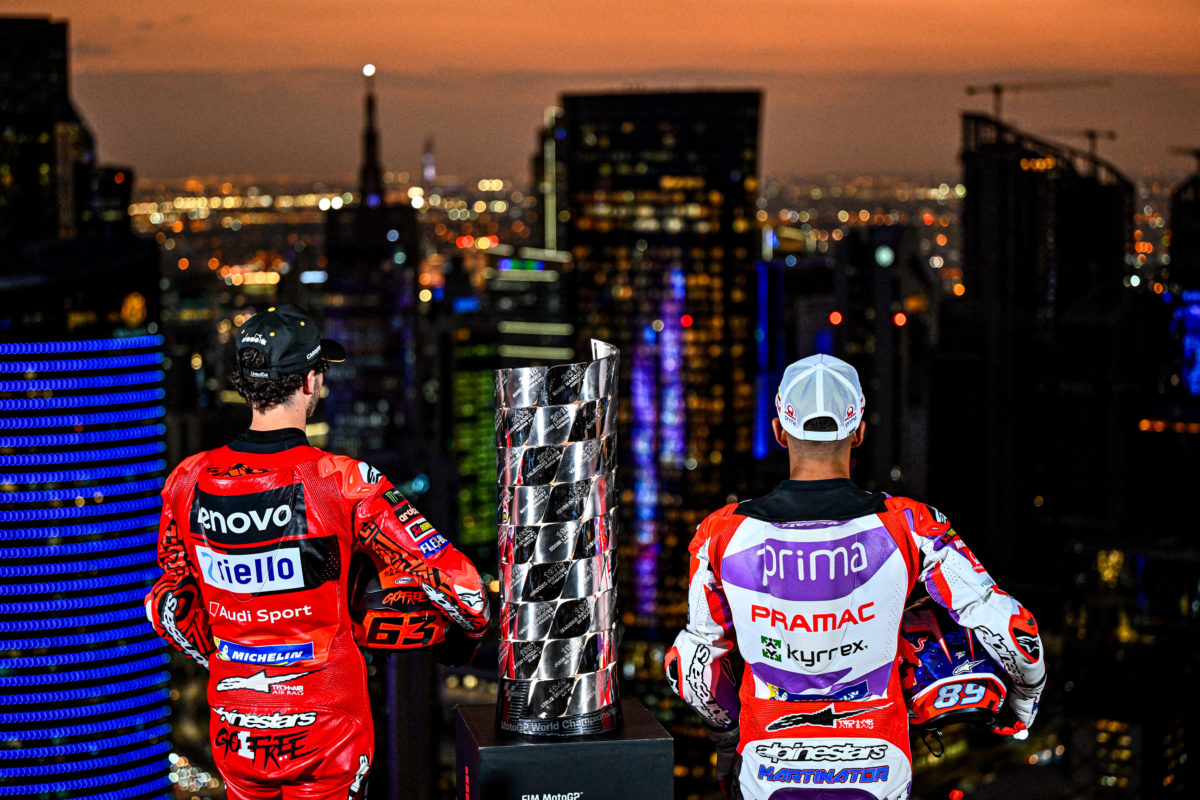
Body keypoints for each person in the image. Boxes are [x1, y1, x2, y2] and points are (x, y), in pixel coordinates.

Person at [145, 305, 491, 800]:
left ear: (243, 383)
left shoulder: (186, 480)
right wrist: (459, 638)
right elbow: (464, 590)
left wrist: (225, 662)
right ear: (310, 381)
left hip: (234, 730)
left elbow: (168, 608)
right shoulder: (344, 482)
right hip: (328, 730)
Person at [664, 354, 1045, 800]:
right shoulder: (911, 525)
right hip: (881, 773)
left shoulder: (721, 533)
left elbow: (692, 671)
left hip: (764, 775)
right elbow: (1014, 629)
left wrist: (727, 749)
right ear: (860, 432)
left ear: (779, 432)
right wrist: (1021, 707)